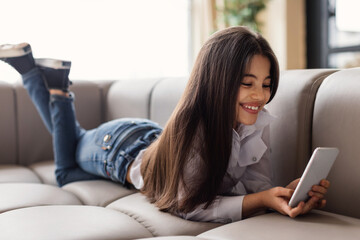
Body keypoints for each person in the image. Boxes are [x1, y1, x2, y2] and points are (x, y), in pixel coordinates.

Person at [0, 26, 330, 223]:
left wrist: (284, 194)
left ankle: (46, 78)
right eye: (248, 83)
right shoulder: (197, 130)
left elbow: (254, 186)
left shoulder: (256, 121)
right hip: (116, 148)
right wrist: (261, 200)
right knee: (65, 173)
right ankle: (51, 85)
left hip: (150, 137)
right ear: (218, 81)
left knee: (70, 147)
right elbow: (187, 205)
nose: (260, 95)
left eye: (266, 83)